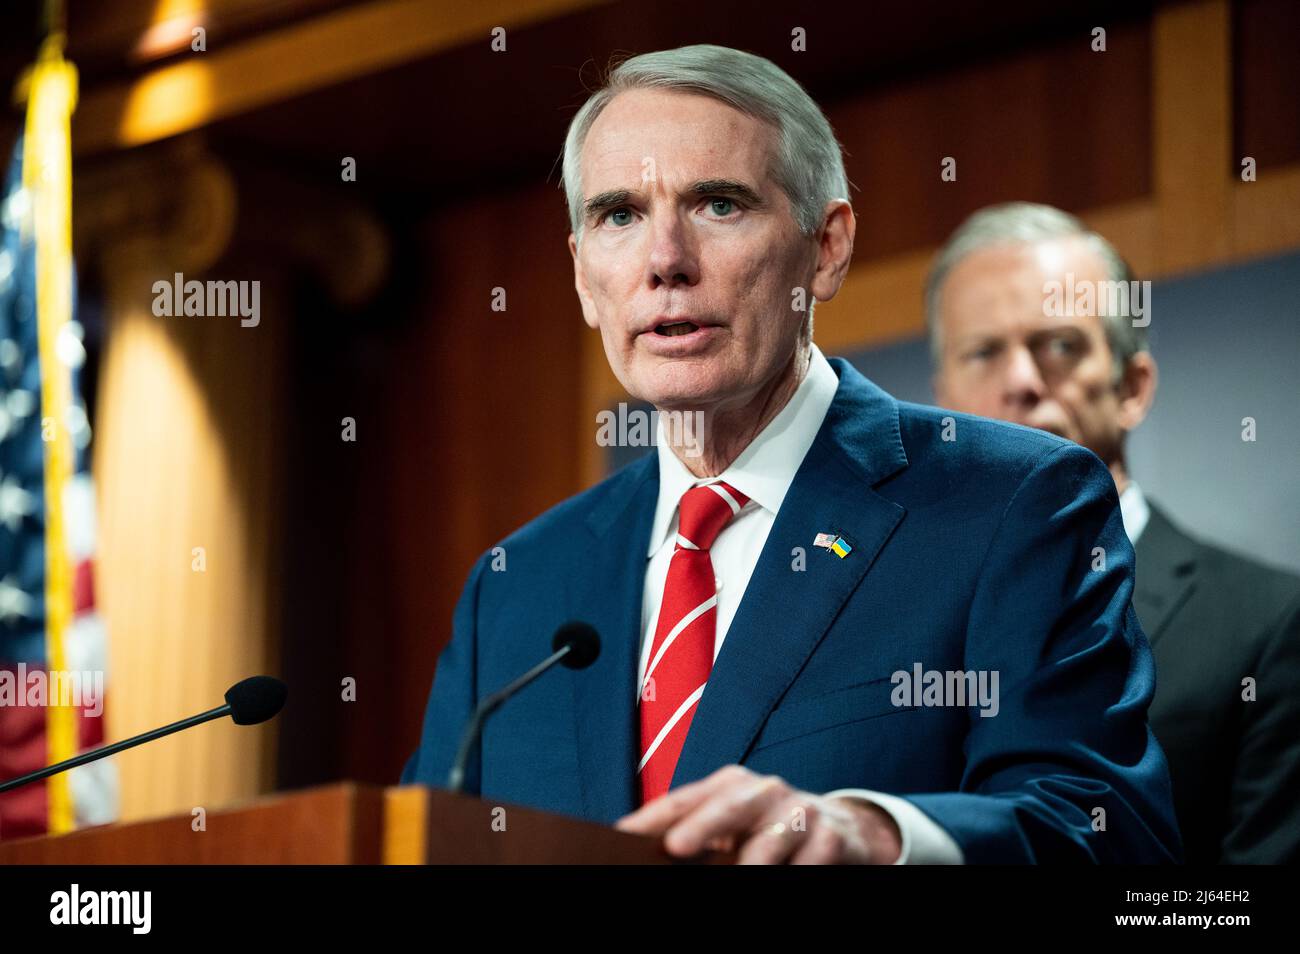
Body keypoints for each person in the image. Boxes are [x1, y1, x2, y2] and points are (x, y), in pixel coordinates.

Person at [401, 47, 1180, 864]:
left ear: (827, 248)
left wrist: (882, 838)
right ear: (585, 278)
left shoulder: (1016, 506)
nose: (665, 260)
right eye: (620, 215)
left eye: (719, 204)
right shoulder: (516, 588)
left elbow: (1115, 838)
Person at [926, 201, 1300, 863]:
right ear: (943, 406)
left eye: (1060, 345)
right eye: (984, 352)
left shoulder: (1269, 624)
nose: (1021, 382)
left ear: (1132, 386)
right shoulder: (900, 625)